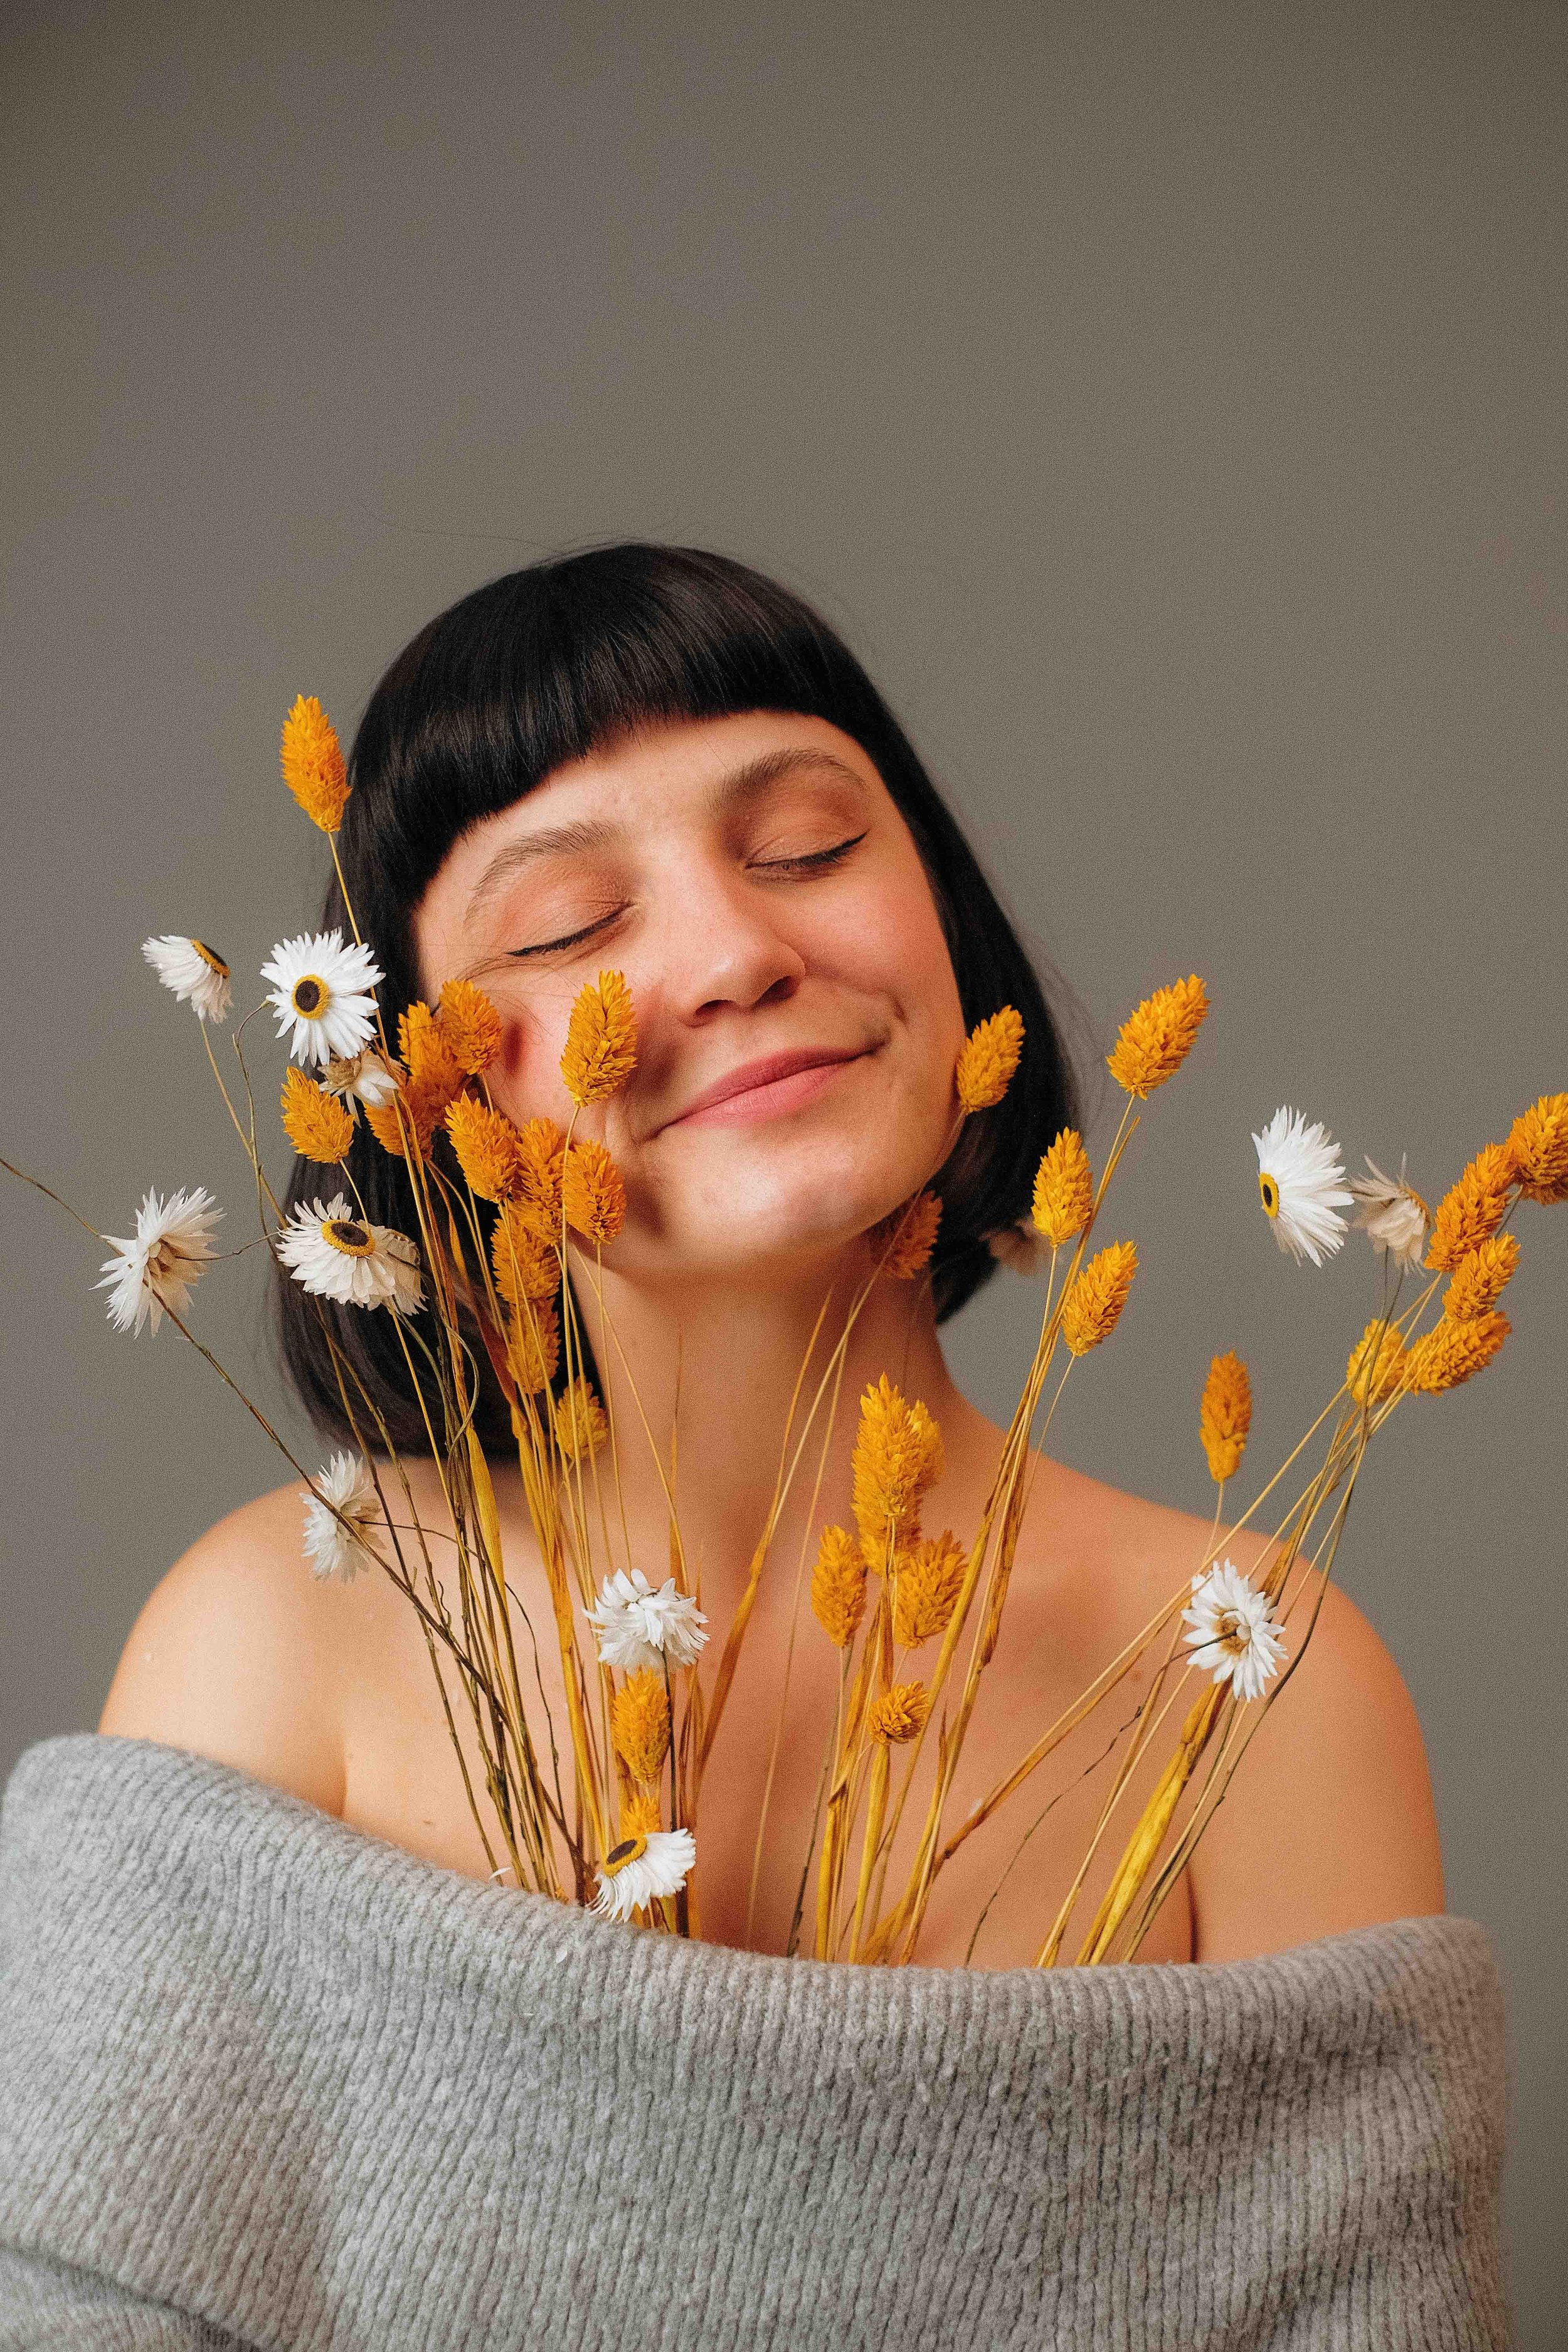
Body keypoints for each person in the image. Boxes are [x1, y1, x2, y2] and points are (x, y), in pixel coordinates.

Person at [98, 542, 1443, 1968]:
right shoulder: (274, 1647)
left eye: (806, 846)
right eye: (568, 925)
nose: (735, 952)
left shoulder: (1245, 1673)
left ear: (947, 924)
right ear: (426, 1092)